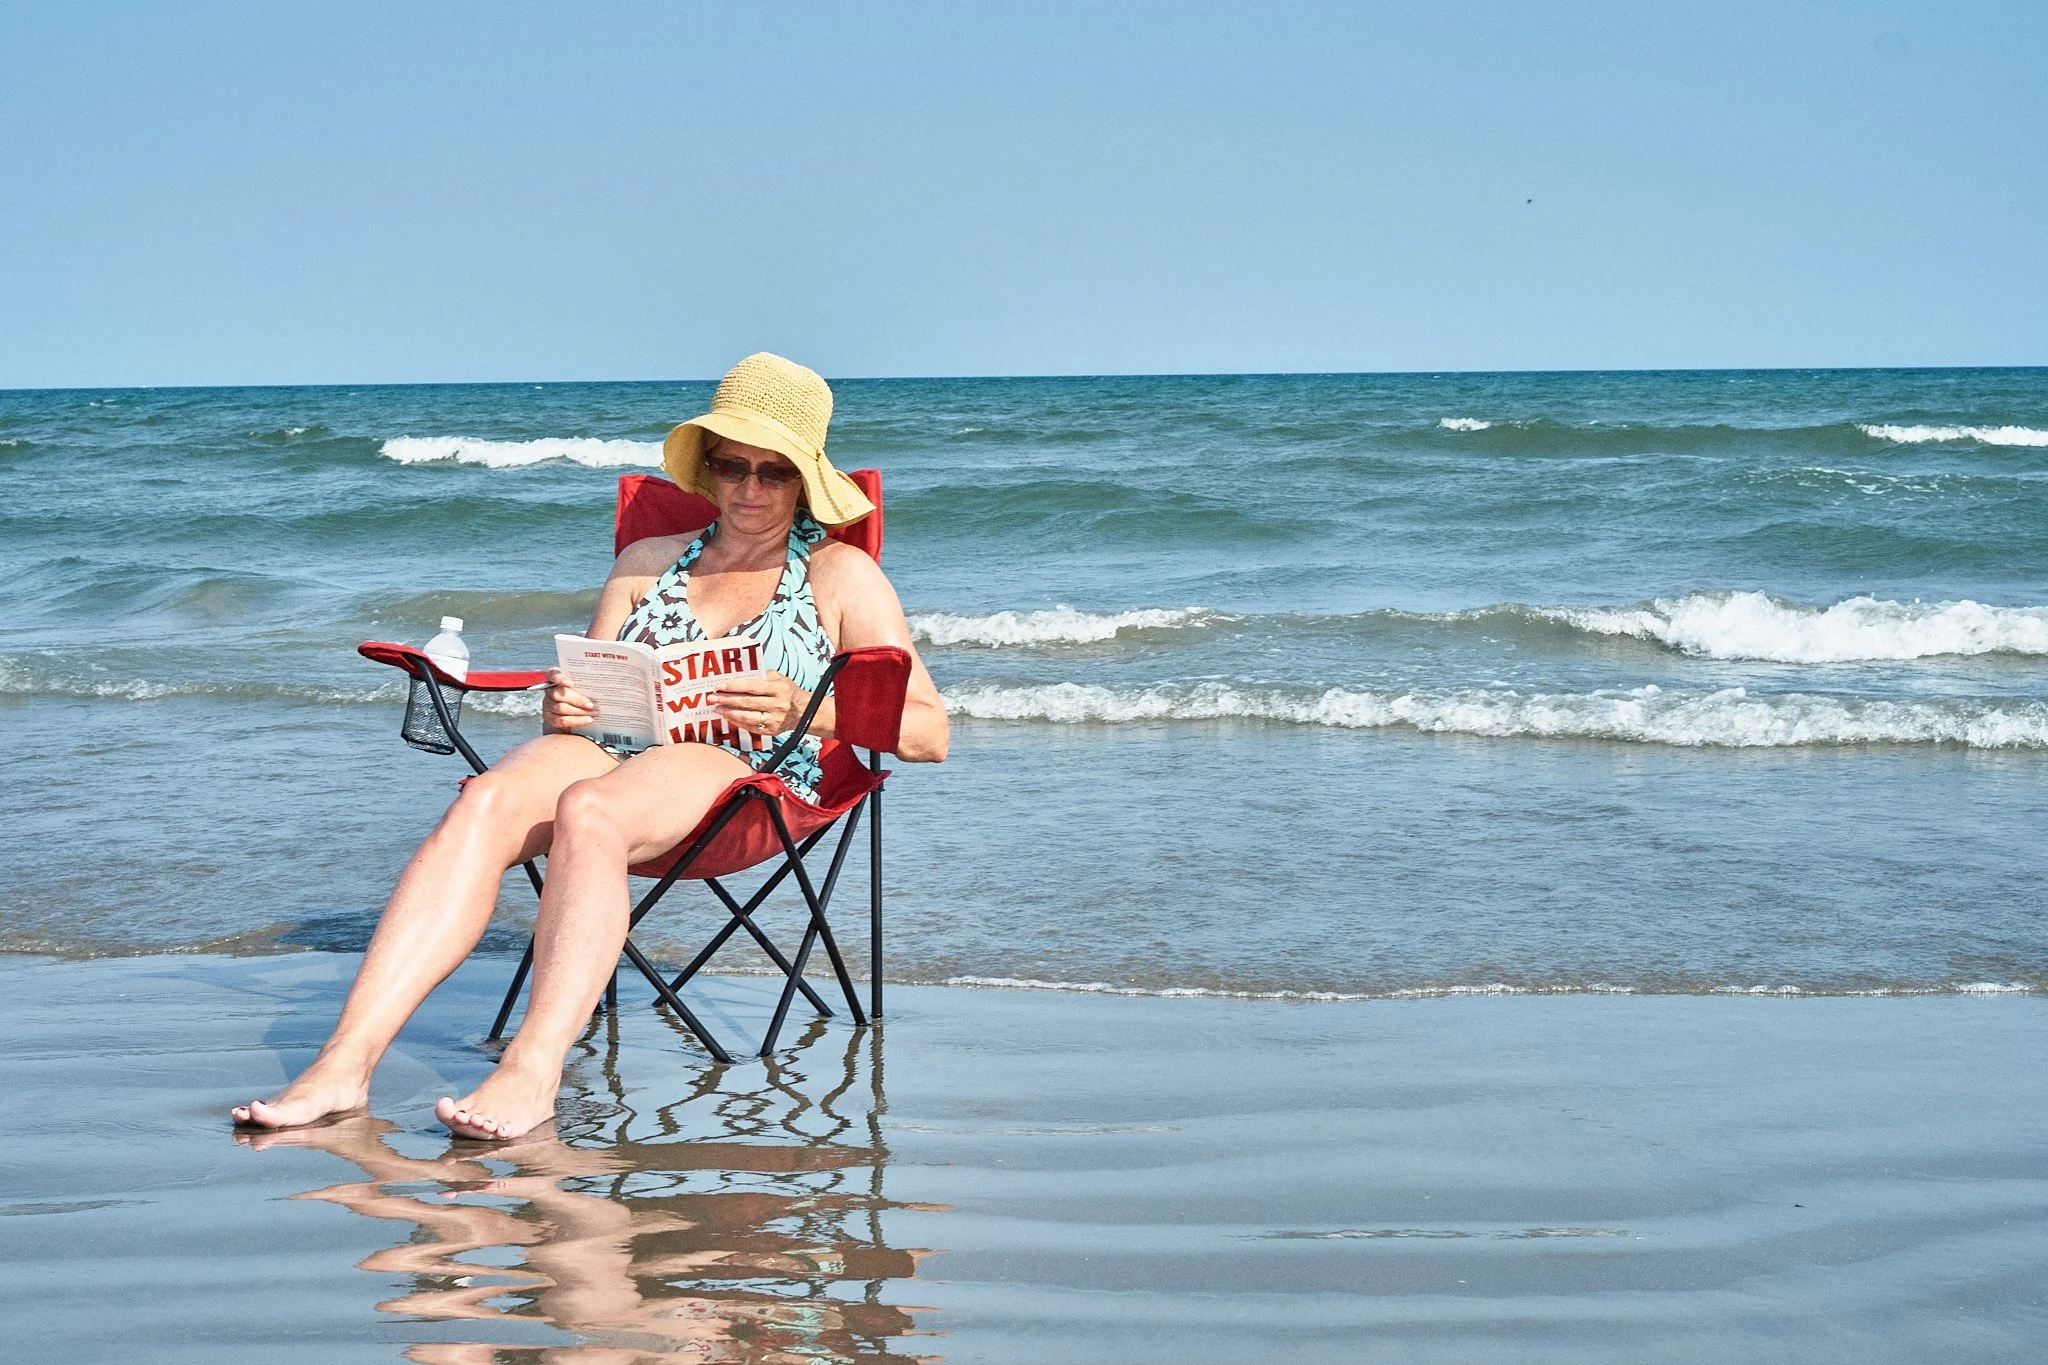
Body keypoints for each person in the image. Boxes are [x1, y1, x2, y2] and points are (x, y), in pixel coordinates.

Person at [232, 353, 949, 1141]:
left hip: (750, 783)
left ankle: (533, 1070)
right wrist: (564, 707)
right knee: (488, 800)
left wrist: (808, 711)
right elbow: (588, 701)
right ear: (707, 470)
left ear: (804, 481)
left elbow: (928, 731)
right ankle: (344, 1063)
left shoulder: (840, 575)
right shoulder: (647, 564)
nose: (749, 487)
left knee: (591, 809)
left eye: (773, 472)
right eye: (731, 465)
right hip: (616, 755)